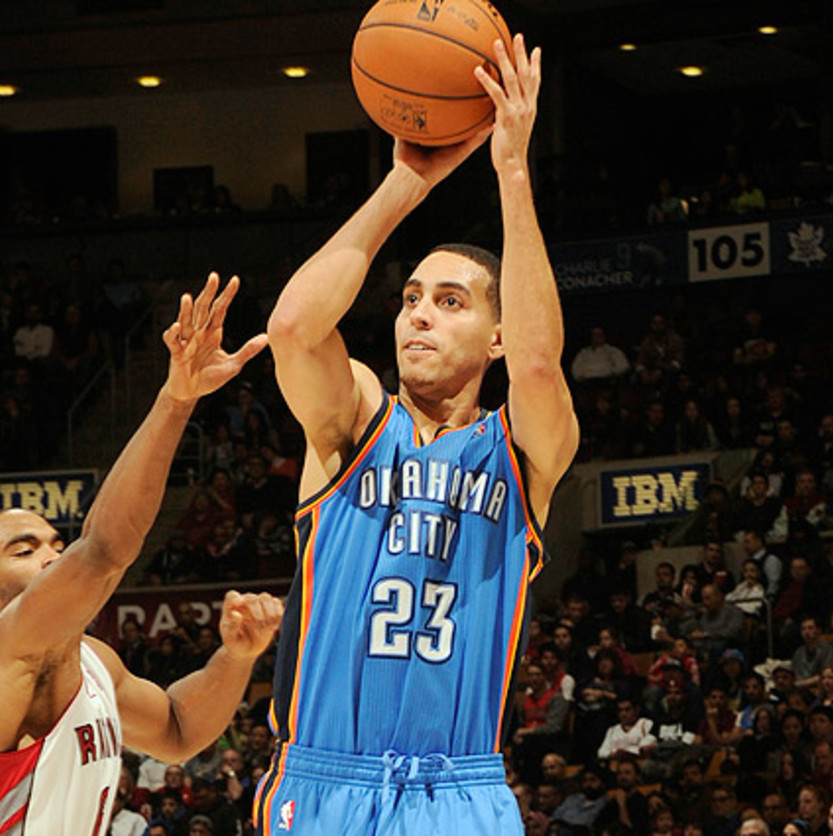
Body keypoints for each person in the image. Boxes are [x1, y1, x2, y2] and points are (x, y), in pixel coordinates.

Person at [261, 33, 577, 836]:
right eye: (409, 298)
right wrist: (407, 181)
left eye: (449, 301)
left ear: (496, 337)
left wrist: (511, 170)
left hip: (460, 787)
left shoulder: (521, 450)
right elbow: (294, 327)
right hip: (324, 775)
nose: (418, 315)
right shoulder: (356, 420)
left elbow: (541, 368)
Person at [0, 275, 281, 834]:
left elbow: (180, 731)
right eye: (25, 548)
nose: (52, 557)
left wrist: (235, 657)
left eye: (57, 546)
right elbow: (107, 549)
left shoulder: (94, 664)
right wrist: (176, 399)